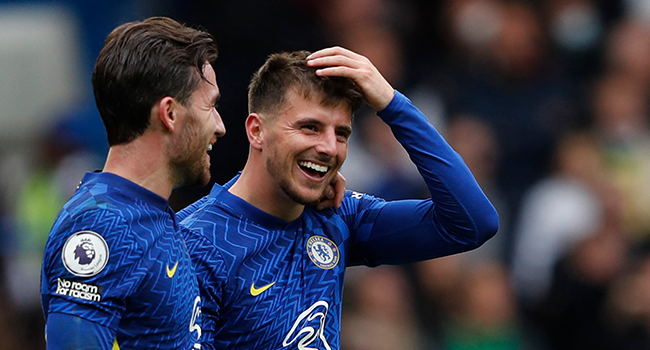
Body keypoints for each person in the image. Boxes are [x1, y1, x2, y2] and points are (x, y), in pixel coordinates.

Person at [179, 46, 499, 349]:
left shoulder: (338, 215)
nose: (330, 147)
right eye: (310, 127)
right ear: (256, 131)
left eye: (341, 133)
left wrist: (392, 104)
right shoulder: (197, 243)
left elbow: (472, 223)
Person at [40, 17, 225, 349]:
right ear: (170, 114)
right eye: (210, 105)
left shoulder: (149, 215)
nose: (220, 126)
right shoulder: (103, 225)